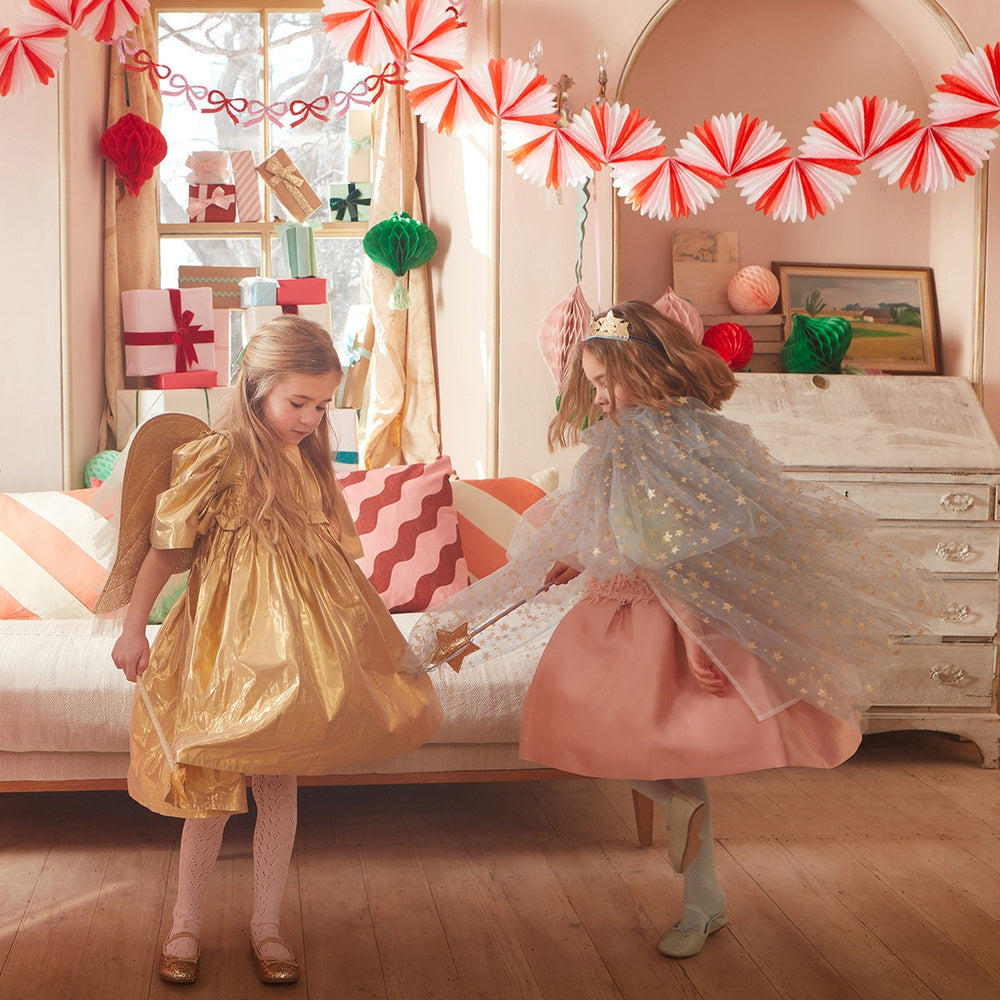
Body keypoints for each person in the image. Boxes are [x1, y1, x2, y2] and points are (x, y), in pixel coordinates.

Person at [408, 300, 938, 960]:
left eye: (608, 381)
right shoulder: (668, 432)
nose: (601, 396)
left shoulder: (653, 442)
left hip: (659, 608)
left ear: (645, 368)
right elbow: (621, 525)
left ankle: (699, 897)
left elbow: (668, 549)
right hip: (626, 600)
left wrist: (691, 635)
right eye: (593, 384)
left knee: (639, 738)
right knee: (601, 731)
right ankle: (698, 880)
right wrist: (576, 556)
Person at [108, 316, 442, 985]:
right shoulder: (215, 457)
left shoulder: (310, 463)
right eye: (299, 403)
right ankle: (184, 923)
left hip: (294, 663)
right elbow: (166, 552)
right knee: (207, 795)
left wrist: (366, 642)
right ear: (257, 386)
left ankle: (267, 923)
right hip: (222, 656)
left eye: (322, 406)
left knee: (279, 787)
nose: (311, 420)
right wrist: (133, 628)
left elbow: (334, 569)